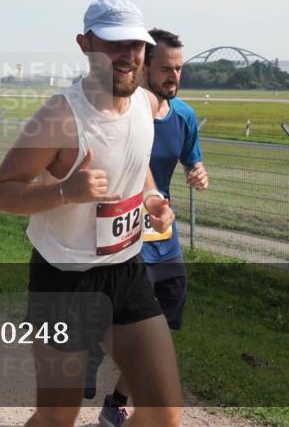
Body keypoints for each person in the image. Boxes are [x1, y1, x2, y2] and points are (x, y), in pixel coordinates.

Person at [0, 0, 182, 427]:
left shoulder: (146, 105)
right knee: (58, 416)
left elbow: (136, 161)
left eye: (136, 45)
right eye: (114, 45)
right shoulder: (60, 117)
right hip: (65, 280)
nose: (128, 56)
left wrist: (151, 199)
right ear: (85, 45)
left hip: (127, 271)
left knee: (164, 414)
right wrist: (65, 192)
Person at [86, 28, 209, 424]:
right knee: (126, 321)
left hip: (163, 237)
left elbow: (191, 157)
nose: (174, 76)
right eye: (166, 69)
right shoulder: (119, 113)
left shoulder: (184, 115)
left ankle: (117, 400)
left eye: (179, 68)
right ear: (144, 68)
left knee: (164, 324)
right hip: (121, 236)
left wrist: (197, 171)